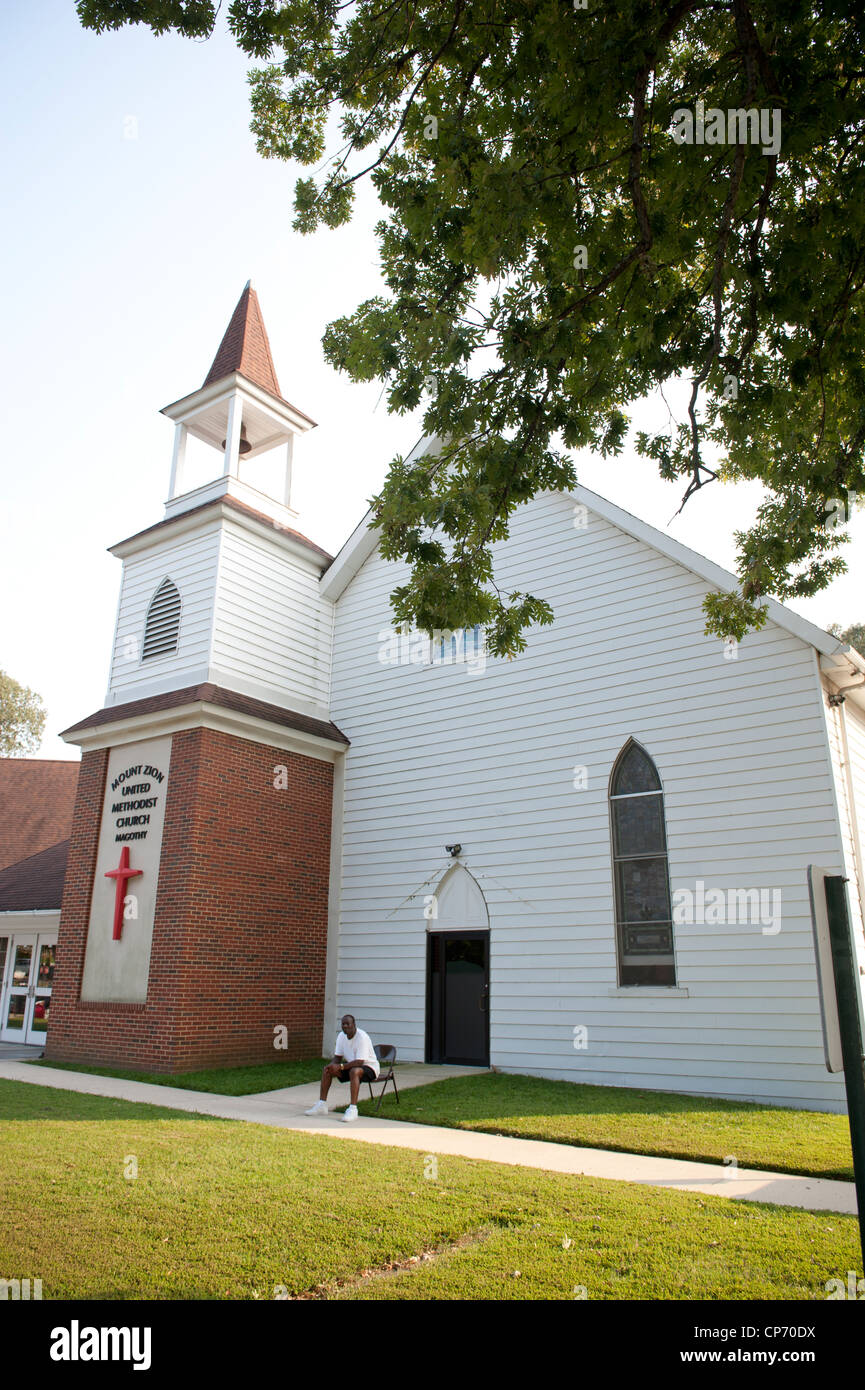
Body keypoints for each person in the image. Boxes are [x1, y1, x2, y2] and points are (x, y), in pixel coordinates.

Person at [305, 1014, 379, 1122]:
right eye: (343, 1024)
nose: (345, 1026)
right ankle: (322, 1105)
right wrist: (331, 1066)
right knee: (327, 1070)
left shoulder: (362, 1037)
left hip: (370, 1068)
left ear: (354, 1025)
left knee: (354, 1071)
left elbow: (360, 1062)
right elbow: (337, 1058)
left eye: (347, 1024)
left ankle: (353, 1110)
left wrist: (340, 1066)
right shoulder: (341, 1036)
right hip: (353, 1067)